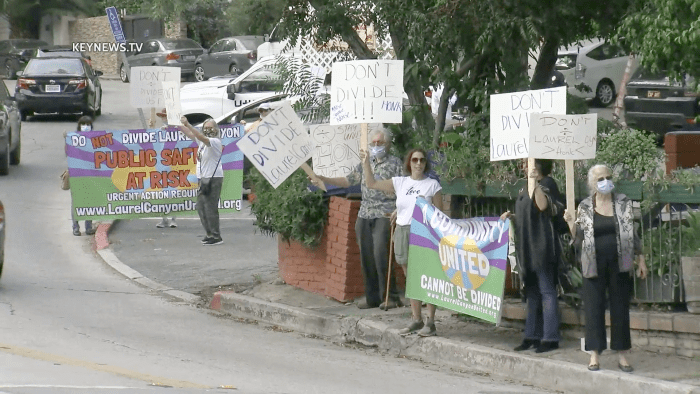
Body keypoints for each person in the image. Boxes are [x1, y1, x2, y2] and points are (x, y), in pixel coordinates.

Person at [564, 164, 648, 372]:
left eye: (608, 177)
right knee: (594, 308)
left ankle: (622, 354)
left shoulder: (622, 202)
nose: (605, 181)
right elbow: (578, 240)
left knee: (620, 308)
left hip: (620, 262)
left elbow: (633, 233)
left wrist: (641, 259)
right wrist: (570, 223)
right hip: (593, 262)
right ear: (593, 183)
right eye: (600, 178)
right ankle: (594, 354)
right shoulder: (585, 206)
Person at [310, 127, 403, 310]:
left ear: (388, 144)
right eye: (373, 142)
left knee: (381, 254)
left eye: (380, 142)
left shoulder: (395, 164)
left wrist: (399, 209)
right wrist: (322, 178)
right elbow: (348, 181)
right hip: (365, 213)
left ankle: (390, 296)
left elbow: (403, 188)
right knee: (366, 256)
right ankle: (372, 297)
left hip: (384, 212)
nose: (376, 145)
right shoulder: (364, 164)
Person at [362, 147, 443, 336]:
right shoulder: (401, 182)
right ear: (409, 162)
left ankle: (430, 322)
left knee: (426, 277)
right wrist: (366, 163)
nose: (418, 164)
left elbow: (439, 214)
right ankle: (416, 319)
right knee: (411, 277)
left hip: (423, 232)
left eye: (422, 160)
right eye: (415, 160)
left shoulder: (432, 185)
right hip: (403, 230)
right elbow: (371, 183)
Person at [501, 159, 565, 353]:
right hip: (526, 247)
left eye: (529, 163)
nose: (525, 166)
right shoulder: (524, 187)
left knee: (546, 290)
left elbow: (543, 206)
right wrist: (511, 217)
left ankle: (550, 337)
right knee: (532, 293)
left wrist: (535, 183)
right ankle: (531, 335)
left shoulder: (548, 184)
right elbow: (525, 215)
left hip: (542, 246)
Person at [179, 116, 224, 245]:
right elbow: (191, 134)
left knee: (210, 207)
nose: (207, 130)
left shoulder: (215, 141)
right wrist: (177, 125)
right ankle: (209, 233)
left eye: (210, 128)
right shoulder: (202, 145)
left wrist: (188, 124)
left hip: (214, 178)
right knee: (201, 206)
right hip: (203, 178)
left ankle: (216, 236)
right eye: (205, 128)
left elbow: (200, 137)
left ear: (216, 129)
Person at [68, 116, 96, 236]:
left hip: (90, 175)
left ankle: (88, 227)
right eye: (83, 124)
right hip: (77, 175)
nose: (86, 126)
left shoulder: (95, 139)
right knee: (76, 202)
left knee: (89, 202)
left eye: (88, 124)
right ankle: (76, 227)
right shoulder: (73, 139)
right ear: (79, 126)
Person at [155, 108, 177, 228]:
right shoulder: (160, 131)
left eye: (165, 117)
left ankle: (173, 219)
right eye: (163, 117)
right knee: (163, 193)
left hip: (174, 164)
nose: (164, 119)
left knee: (172, 193)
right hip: (162, 164)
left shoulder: (176, 131)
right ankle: (164, 219)